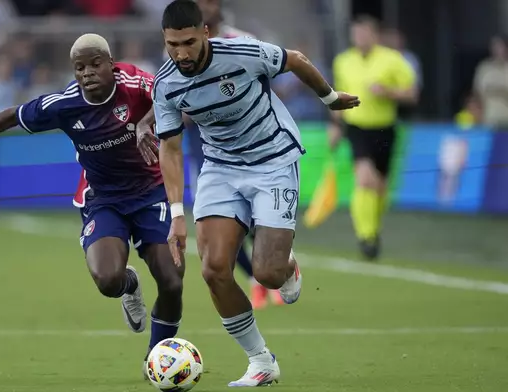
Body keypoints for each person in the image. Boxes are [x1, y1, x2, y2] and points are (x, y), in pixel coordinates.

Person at [0, 33, 185, 373]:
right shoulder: (65, 104)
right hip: (103, 198)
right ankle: (129, 285)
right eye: (80, 67)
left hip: (150, 191)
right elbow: (9, 116)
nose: (88, 73)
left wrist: (145, 123)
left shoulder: (135, 82)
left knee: (171, 279)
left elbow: (172, 96)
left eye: (95, 64)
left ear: (111, 64)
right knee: (107, 279)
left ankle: (156, 358)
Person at [149, 0, 359, 386]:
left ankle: (285, 264)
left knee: (268, 274)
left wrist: (329, 98)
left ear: (205, 33)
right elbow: (171, 147)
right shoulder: (166, 84)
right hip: (220, 168)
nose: (181, 53)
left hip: (273, 160)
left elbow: (294, 59)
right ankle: (261, 360)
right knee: (213, 269)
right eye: (172, 44)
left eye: (189, 42)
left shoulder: (242, 53)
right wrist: (177, 213)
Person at [190, 0, 281, 310]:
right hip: (206, 147)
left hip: (253, 149)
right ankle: (255, 280)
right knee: (225, 223)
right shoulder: (181, 48)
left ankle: (272, 266)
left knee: (257, 219)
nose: (203, 7)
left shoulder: (242, 42)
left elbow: (264, 86)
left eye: (208, 1)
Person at [330, 15, 417, 260]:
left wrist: (388, 91)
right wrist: (335, 125)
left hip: (384, 128)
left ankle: (373, 229)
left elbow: (412, 94)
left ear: (375, 35)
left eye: (364, 33)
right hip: (356, 127)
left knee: (380, 187)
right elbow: (336, 95)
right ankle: (366, 236)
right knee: (364, 179)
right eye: (356, 34)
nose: (359, 38)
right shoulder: (343, 61)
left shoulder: (393, 60)